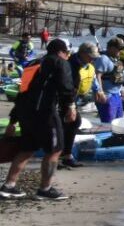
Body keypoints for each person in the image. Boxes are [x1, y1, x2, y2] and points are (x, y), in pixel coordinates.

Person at [1, 39, 76, 200]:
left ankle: (9, 186)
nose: (68, 56)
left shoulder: (33, 63)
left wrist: (13, 120)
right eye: (67, 52)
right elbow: (66, 86)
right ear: (61, 51)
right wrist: (70, 106)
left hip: (25, 112)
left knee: (27, 148)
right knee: (55, 150)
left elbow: (23, 92)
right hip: (45, 113)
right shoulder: (60, 63)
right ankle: (45, 188)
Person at [59, 42, 101, 169]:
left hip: (73, 98)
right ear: (82, 53)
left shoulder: (86, 64)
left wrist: (98, 90)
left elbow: (92, 78)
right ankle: (57, 157)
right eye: (90, 56)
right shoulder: (71, 64)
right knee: (66, 123)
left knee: (73, 123)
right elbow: (66, 87)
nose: (92, 59)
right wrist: (70, 105)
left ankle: (65, 155)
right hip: (63, 98)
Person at [92, 39, 124, 125]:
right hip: (107, 96)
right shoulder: (103, 59)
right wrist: (100, 92)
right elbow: (96, 76)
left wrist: (121, 89)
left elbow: (118, 75)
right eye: (119, 49)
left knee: (119, 122)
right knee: (109, 124)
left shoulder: (116, 59)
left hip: (116, 95)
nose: (120, 51)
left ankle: (118, 137)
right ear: (111, 48)